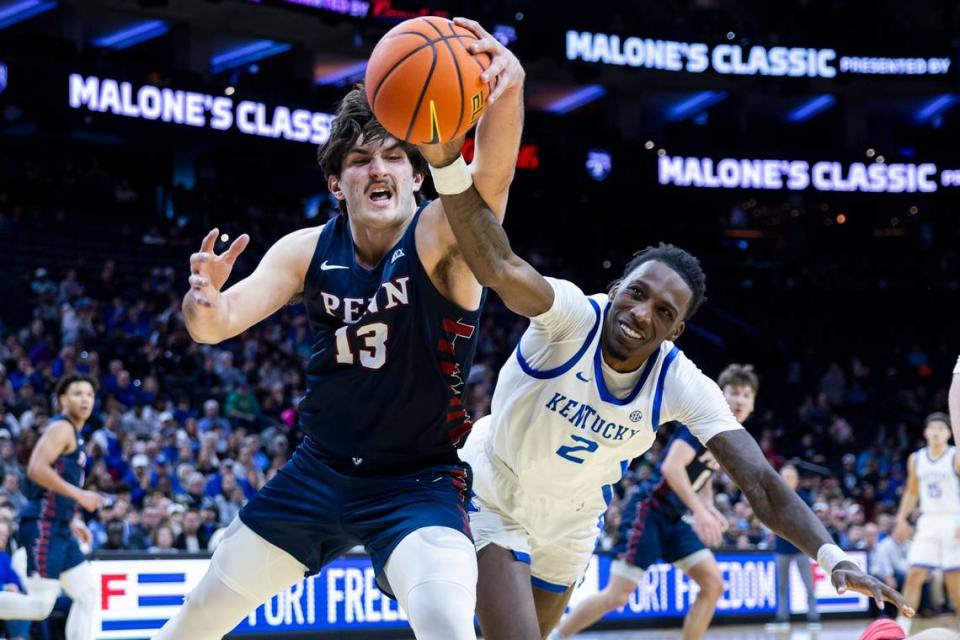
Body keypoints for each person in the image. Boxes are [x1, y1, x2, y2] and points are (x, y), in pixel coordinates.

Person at [417, 147, 915, 639]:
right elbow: (499, 264)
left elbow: (759, 482)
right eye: (637, 293)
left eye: (663, 312)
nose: (641, 314)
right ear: (616, 287)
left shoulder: (681, 382)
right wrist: (444, 162)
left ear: (675, 330)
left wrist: (833, 556)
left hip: (571, 524)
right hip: (496, 493)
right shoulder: (569, 317)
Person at [155, 17, 524, 640]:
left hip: (419, 480)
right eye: (359, 159)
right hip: (319, 470)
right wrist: (202, 298)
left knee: (446, 623)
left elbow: (492, 180)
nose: (377, 169)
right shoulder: (305, 250)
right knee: (194, 621)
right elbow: (215, 326)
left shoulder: (441, 233)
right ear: (337, 183)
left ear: (416, 173)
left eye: (392, 155)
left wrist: (507, 93)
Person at [554, 364, 756, 640]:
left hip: (674, 517)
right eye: (734, 392)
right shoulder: (701, 424)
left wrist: (708, 507)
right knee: (617, 596)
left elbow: (704, 477)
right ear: (721, 395)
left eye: (746, 395)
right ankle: (558, 636)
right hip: (649, 509)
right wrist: (700, 512)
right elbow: (672, 468)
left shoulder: (727, 437)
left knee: (713, 584)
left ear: (753, 405)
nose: (740, 400)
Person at [15, 373, 103, 640]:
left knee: (88, 596)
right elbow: (36, 469)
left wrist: (72, 520)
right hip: (44, 525)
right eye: (77, 393)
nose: (85, 399)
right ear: (63, 400)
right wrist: (80, 495)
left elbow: (52, 487)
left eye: (89, 394)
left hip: (60, 526)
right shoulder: (61, 428)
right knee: (40, 607)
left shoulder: (75, 435)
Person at [893, 412, 960, 634]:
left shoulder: (955, 455)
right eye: (932, 428)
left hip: (953, 519)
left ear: (949, 433)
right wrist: (901, 518)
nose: (936, 432)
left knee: (954, 581)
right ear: (925, 432)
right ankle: (901, 628)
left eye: (941, 429)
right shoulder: (916, 458)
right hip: (928, 520)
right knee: (914, 575)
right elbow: (912, 491)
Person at [765, 464, 819, 631]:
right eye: (784, 476)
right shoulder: (774, 498)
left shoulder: (805, 498)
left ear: (796, 480)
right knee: (781, 586)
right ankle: (782, 618)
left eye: (790, 477)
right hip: (781, 549)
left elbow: (810, 524)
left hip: (802, 549)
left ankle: (813, 617)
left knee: (809, 585)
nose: (786, 480)